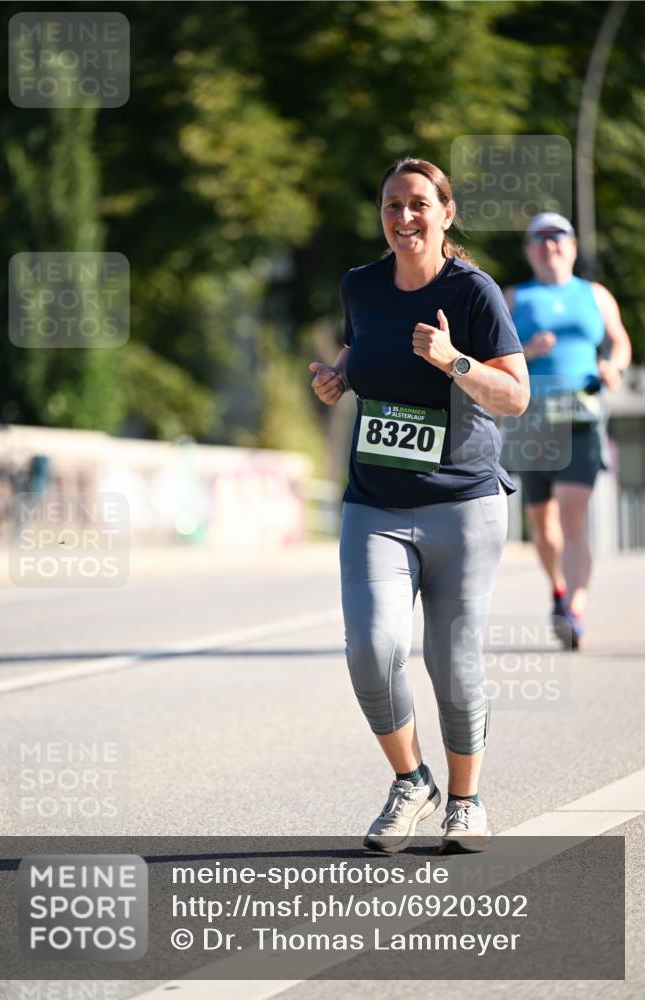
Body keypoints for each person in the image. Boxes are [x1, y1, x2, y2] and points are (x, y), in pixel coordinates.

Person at [309, 158, 529, 853]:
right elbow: (362, 348)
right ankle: (411, 781)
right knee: (371, 651)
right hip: (373, 504)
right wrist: (337, 379)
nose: (403, 218)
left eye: (417, 205)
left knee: (452, 661)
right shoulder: (361, 287)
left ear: (445, 212)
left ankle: (465, 801)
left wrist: (453, 362)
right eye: (391, 205)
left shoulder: (472, 292)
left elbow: (514, 396)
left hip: (462, 504)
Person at [503, 212, 632, 650]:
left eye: (557, 237)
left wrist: (612, 365)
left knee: (572, 516)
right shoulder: (515, 296)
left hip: (580, 416)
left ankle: (575, 609)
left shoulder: (594, 295)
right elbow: (489, 352)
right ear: (529, 250)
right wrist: (525, 349)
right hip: (531, 421)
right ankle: (558, 588)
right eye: (539, 239)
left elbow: (619, 340)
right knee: (542, 523)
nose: (549, 245)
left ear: (573, 247)